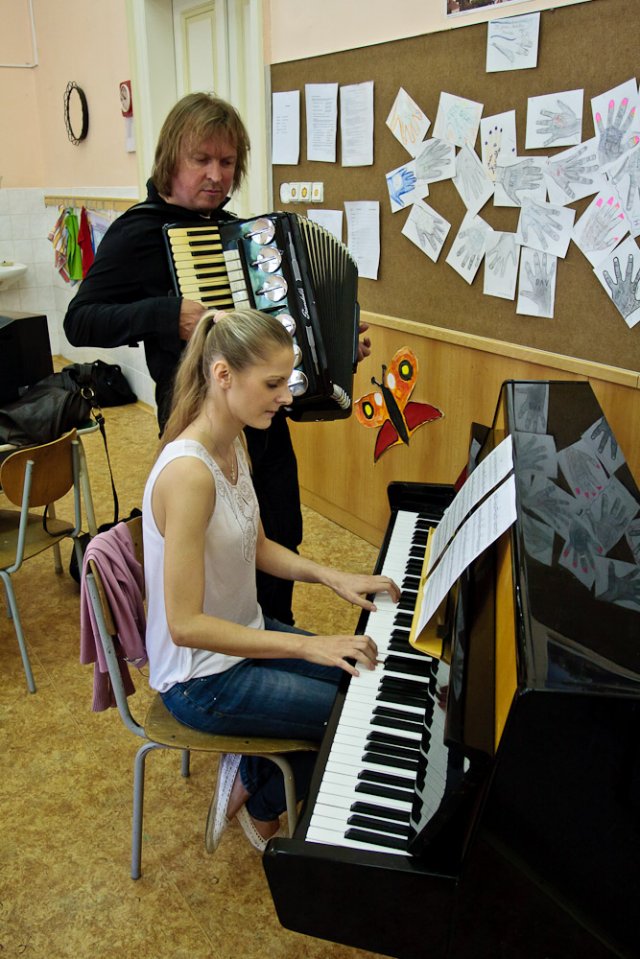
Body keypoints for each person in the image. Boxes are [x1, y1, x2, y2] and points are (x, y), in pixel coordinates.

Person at [64, 92, 365, 626]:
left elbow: (270, 340)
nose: (215, 174)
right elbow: (80, 320)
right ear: (170, 159)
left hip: (263, 425)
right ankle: (229, 648)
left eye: (227, 162)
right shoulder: (139, 232)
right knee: (216, 553)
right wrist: (167, 315)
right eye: (201, 159)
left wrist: (330, 352)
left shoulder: (240, 234)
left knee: (278, 532)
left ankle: (274, 632)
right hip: (196, 425)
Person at [142, 306, 399, 851]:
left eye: (288, 382)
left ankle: (253, 766)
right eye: (273, 384)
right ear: (223, 375)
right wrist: (306, 646)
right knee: (351, 716)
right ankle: (262, 805)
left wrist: (334, 577)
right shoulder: (189, 474)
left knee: (363, 681)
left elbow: (256, 546)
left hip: (244, 638)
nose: (286, 397)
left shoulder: (234, 441)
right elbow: (184, 625)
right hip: (200, 680)